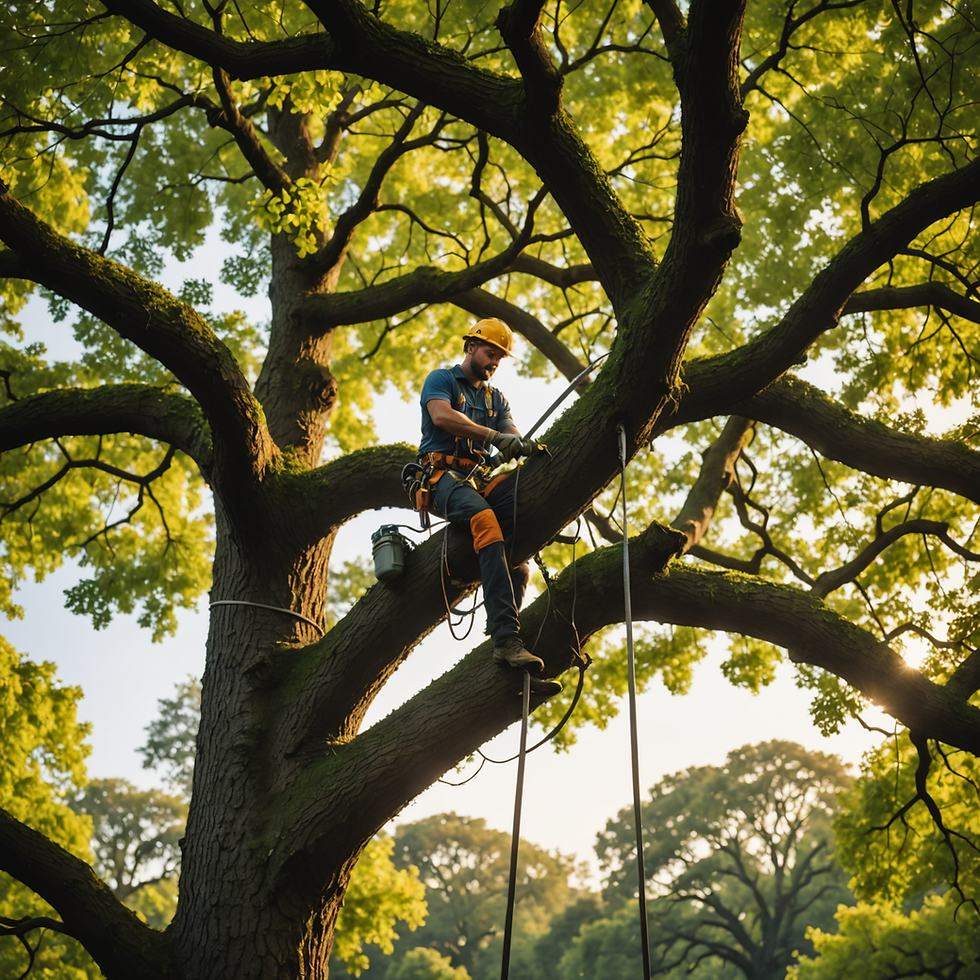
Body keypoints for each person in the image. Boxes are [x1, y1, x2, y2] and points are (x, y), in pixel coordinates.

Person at [419, 317, 560, 693]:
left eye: (500, 356)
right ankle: (506, 640)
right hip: (442, 478)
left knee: (521, 554)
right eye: (489, 352)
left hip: (480, 479)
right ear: (470, 347)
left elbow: (509, 428)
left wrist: (516, 442)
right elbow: (442, 416)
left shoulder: (496, 398)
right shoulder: (442, 380)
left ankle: (502, 628)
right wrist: (492, 436)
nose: (494, 361)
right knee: (485, 520)